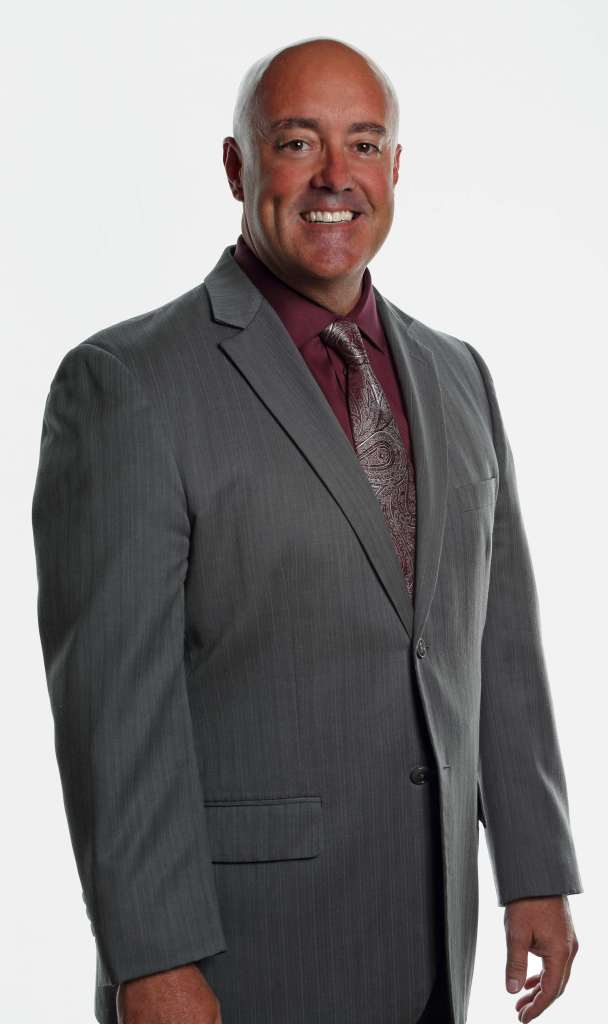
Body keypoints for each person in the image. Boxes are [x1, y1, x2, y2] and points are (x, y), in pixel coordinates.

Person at [31, 35, 582, 1024]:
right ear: (237, 166)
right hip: (242, 957)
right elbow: (114, 711)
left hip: (430, 938)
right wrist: (152, 959)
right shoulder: (127, 384)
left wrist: (533, 868)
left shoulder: (458, 374)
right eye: (297, 142)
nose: (336, 176)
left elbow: (496, 640)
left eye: (363, 144)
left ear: (396, 167)